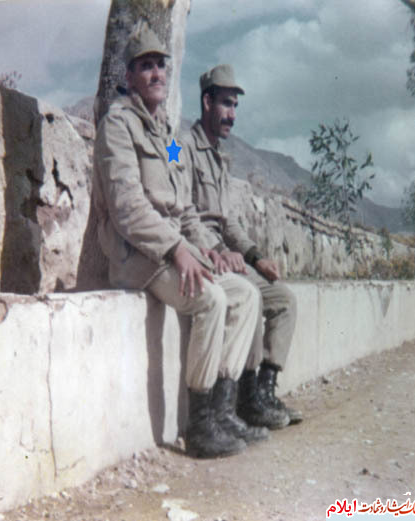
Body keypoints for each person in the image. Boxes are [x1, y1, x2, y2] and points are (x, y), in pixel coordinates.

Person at [92, 25, 266, 458]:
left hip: (174, 251)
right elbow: (128, 208)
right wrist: (176, 249)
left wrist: (204, 246)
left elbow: (184, 204)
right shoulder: (118, 127)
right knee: (211, 299)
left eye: (161, 66)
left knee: (244, 294)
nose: (156, 74)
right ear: (130, 76)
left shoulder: (167, 138)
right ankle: (200, 425)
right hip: (138, 256)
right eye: (145, 66)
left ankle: (222, 409)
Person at [180, 64, 301, 430]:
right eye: (226, 104)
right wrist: (216, 249)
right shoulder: (178, 146)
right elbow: (181, 210)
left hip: (225, 253)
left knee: (284, 299)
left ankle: (262, 391)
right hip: (200, 252)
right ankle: (244, 400)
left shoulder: (220, 158)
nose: (232, 114)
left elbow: (229, 220)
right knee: (251, 295)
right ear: (206, 102)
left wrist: (255, 256)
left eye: (235, 106)